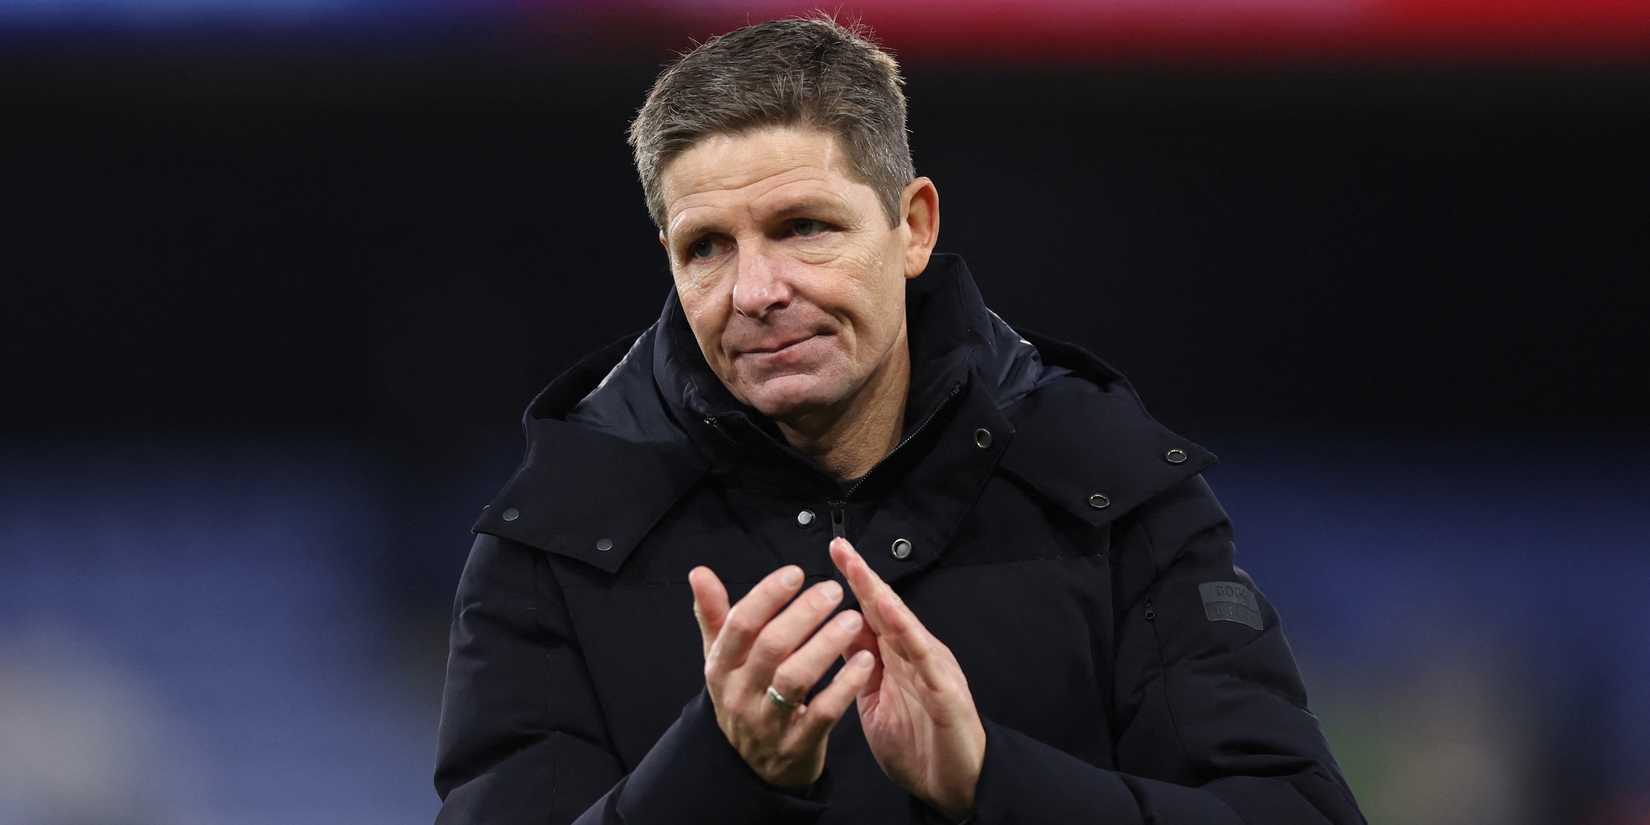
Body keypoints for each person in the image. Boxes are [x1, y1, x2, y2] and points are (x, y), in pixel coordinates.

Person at [433, 14, 1366, 825]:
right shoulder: (554, 539)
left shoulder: (1111, 488)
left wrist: (990, 782)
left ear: (912, 227)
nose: (756, 291)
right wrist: (720, 770)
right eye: (707, 247)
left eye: (804, 227)